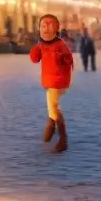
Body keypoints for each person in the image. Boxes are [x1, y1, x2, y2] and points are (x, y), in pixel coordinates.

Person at [30, 14, 74, 153]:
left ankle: (62, 138)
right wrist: (37, 46)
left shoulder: (60, 44)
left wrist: (62, 58)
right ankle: (51, 124)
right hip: (49, 80)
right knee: (52, 106)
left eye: (50, 26)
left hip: (58, 80)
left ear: (56, 28)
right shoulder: (41, 44)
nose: (46, 29)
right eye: (43, 26)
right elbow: (34, 58)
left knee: (53, 106)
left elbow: (69, 60)